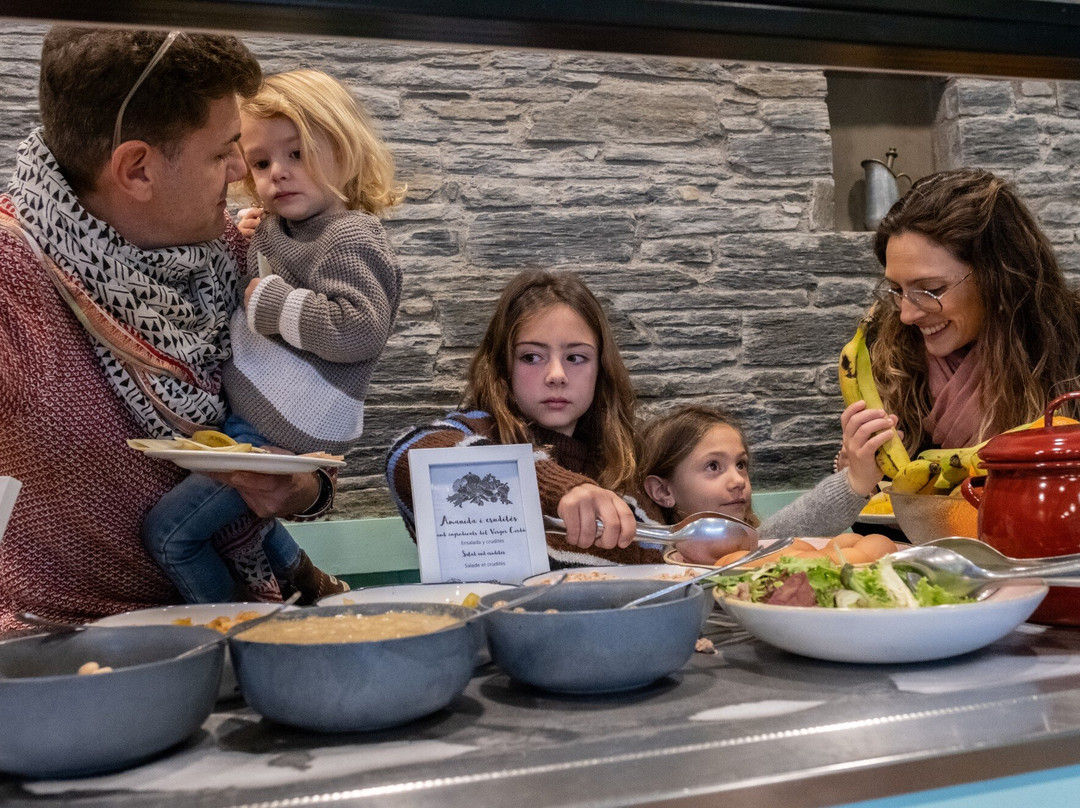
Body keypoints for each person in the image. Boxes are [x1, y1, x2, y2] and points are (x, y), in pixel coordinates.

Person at [0, 28, 333, 633]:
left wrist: (304, 488)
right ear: (137, 169)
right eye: (222, 152)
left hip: (254, 627)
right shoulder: (11, 279)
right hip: (70, 652)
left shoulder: (236, 251)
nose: (241, 170)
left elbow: (308, 418)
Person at [139, 69, 404, 604]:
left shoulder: (349, 236)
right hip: (265, 416)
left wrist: (274, 302)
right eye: (261, 163)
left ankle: (229, 628)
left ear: (345, 150)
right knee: (241, 520)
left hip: (284, 425)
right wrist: (245, 240)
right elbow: (263, 275)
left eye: (297, 154)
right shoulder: (286, 227)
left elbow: (359, 330)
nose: (278, 173)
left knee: (170, 535)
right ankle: (306, 583)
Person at [387, 269, 709, 568]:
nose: (556, 375)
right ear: (503, 366)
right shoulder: (477, 433)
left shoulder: (621, 474)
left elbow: (656, 566)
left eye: (575, 357)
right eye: (531, 357)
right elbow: (408, 455)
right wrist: (556, 487)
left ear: (600, 369)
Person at [848, 168, 1080, 460]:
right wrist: (851, 470)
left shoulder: (1071, 348)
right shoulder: (884, 352)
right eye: (896, 289)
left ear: (998, 278)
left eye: (931, 289)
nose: (906, 315)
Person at [639, 402, 895, 549]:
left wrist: (856, 482)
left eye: (741, 464)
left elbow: (798, 523)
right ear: (663, 491)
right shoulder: (654, 560)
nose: (738, 480)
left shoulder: (752, 544)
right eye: (713, 466)